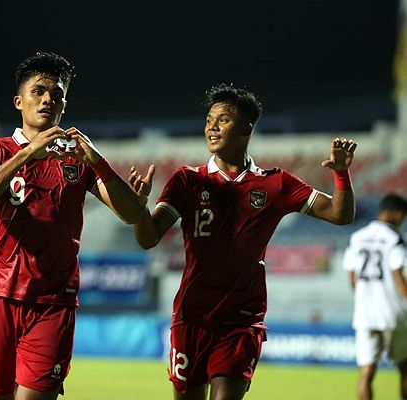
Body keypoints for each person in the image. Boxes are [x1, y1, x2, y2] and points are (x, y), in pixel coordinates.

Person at [128, 83, 358, 400]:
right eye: (209, 118)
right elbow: (148, 238)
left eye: (222, 119)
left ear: (246, 128)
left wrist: (342, 175)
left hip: (242, 319)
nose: (212, 126)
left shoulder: (276, 183)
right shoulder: (187, 179)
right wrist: (139, 211)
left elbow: (339, 214)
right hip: (192, 316)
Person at [0, 52, 145, 400]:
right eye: (38, 91)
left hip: (53, 302)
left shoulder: (78, 158)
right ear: (19, 101)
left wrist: (100, 163)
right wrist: (27, 154)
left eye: (57, 94)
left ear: (64, 104)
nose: (48, 99)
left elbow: (133, 214)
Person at [343, 193, 407, 400]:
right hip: (392, 313)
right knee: (405, 368)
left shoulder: (357, 237)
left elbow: (352, 277)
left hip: (365, 315)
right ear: (398, 214)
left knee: (366, 373)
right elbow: (397, 272)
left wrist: (364, 298)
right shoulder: (394, 239)